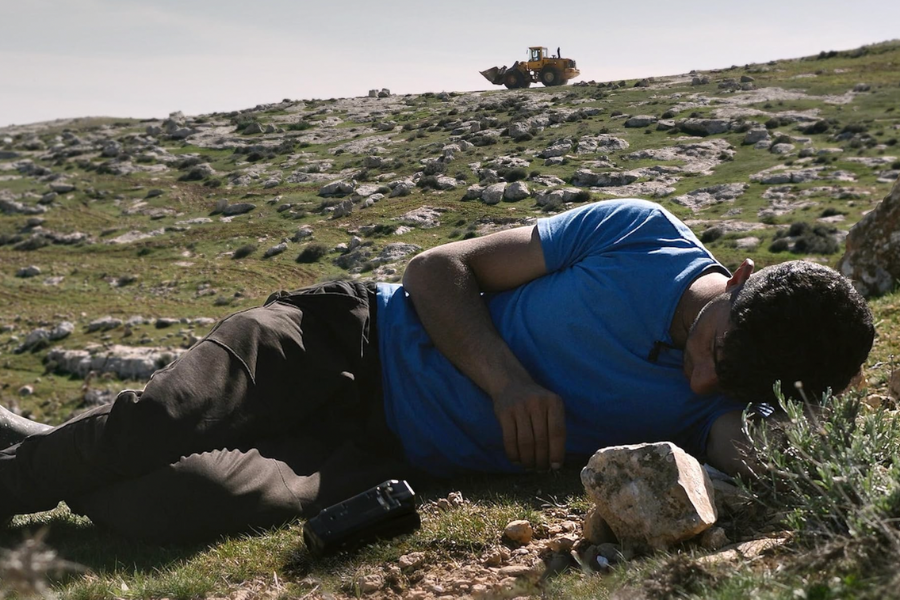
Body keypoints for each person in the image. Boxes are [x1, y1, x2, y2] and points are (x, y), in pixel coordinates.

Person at [0, 199, 874, 543]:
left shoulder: (724, 405)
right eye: (718, 355)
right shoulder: (639, 235)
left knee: (193, 509)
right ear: (745, 279)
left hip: (386, 453)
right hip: (347, 338)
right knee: (162, 420)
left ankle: (51, 445)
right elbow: (435, 269)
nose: (700, 388)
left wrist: (834, 428)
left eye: (735, 388)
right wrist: (506, 380)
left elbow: (768, 456)